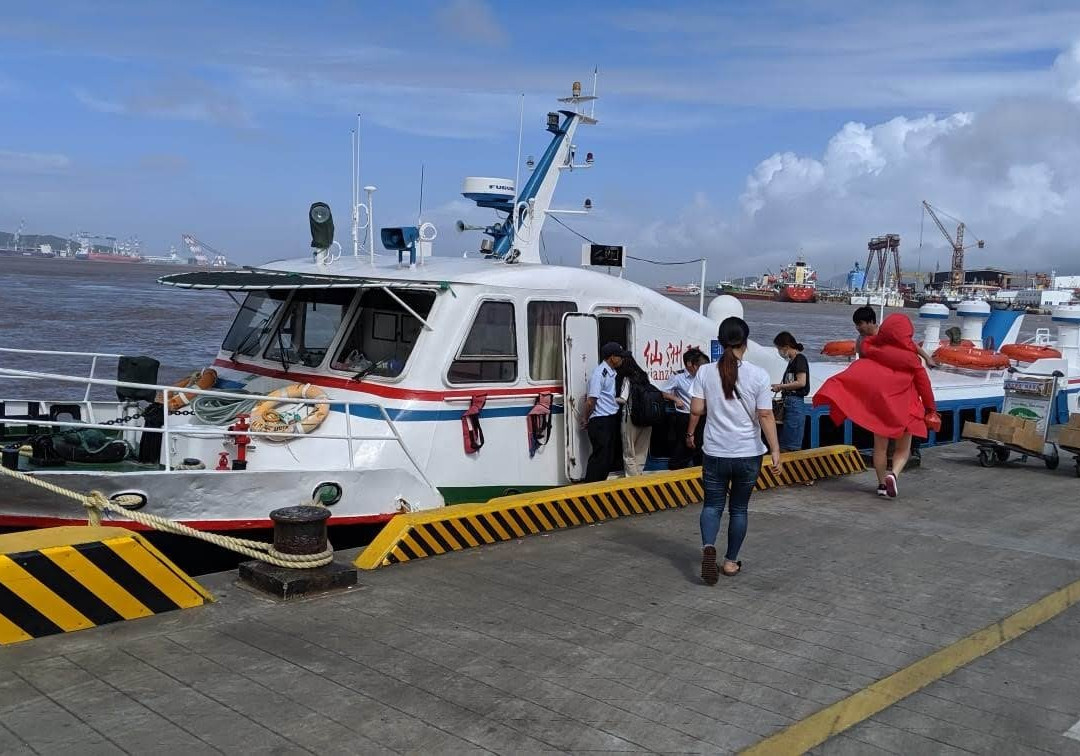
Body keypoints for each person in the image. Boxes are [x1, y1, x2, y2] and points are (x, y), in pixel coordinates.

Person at [688, 317, 782, 585]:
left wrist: (693, 431)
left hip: (715, 452)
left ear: (720, 341)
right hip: (747, 453)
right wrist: (775, 450)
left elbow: (696, 410)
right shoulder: (759, 375)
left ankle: (708, 548)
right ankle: (730, 562)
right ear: (746, 342)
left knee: (712, 505)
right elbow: (764, 415)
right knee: (739, 509)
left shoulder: (705, 372)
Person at [814, 313, 937, 499]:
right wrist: (931, 409)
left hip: (882, 408)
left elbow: (862, 371)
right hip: (906, 410)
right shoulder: (912, 361)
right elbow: (924, 387)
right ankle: (893, 475)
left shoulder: (870, 348)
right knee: (903, 450)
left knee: (879, 448)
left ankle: (880, 485)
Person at [853, 306, 934, 467]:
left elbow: (911, 345)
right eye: (856, 324)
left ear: (870, 322)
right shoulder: (860, 340)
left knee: (903, 419)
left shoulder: (887, 334)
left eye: (860, 324)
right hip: (879, 387)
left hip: (897, 385)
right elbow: (862, 361)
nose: (857, 328)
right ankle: (890, 465)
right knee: (884, 427)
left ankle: (904, 453)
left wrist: (927, 358)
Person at [580, 342, 624, 482]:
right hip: (600, 420)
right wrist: (585, 419)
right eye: (619, 356)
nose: (622, 359)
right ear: (611, 357)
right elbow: (591, 401)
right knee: (600, 457)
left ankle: (600, 487)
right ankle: (590, 488)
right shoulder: (599, 374)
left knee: (608, 457)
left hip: (610, 419)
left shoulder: (611, 373)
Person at [664, 347, 709, 469]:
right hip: (685, 416)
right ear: (689, 364)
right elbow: (663, 392)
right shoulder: (678, 377)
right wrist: (675, 399)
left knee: (701, 445)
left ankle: (699, 469)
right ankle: (675, 468)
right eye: (698, 365)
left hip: (703, 416)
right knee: (685, 445)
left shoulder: (703, 376)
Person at [616, 354, 654, 476]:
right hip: (647, 418)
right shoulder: (644, 376)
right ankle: (639, 479)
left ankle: (632, 482)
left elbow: (623, 398)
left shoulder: (627, 379)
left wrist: (608, 399)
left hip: (630, 418)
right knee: (641, 451)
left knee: (629, 453)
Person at [771, 332, 810, 453]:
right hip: (789, 402)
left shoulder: (800, 359)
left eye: (779, 348)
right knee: (785, 440)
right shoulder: (792, 361)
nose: (779, 352)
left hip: (795, 403)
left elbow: (801, 382)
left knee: (790, 443)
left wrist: (781, 387)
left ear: (786, 347)